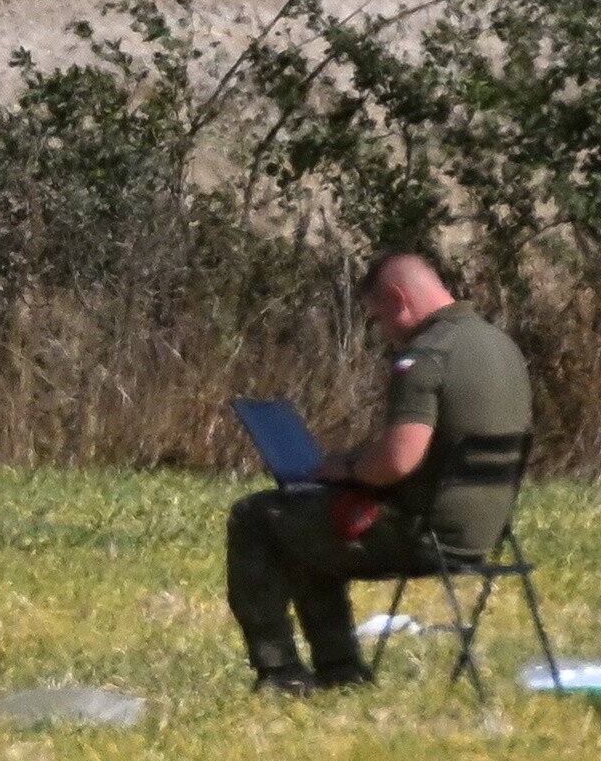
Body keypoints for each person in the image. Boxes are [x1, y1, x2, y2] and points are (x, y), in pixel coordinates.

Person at [227, 252, 532, 693]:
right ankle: (339, 673)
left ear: (397, 299)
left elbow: (396, 462)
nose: (384, 332)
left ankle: (282, 673)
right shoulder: (501, 346)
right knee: (306, 527)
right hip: (483, 533)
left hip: (422, 536)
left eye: (379, 317)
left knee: (257, 516)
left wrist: (345, 467)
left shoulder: (426, 357)